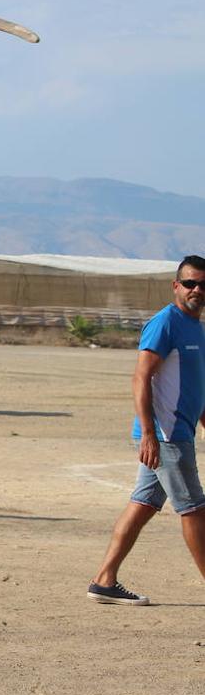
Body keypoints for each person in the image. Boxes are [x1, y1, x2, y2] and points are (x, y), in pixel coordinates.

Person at [88, 255, 205, 605]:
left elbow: (195, 386)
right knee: (194, 509)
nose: (197, 289)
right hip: (167, 435)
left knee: (143, 504)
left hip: (178, 432)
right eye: (190, 283)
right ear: (176, 286)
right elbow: (142, 376)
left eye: (203, 284)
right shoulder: (165, 323)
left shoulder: (195, 327)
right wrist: (150, 434)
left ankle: (104, 580)